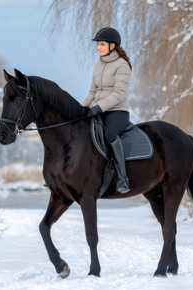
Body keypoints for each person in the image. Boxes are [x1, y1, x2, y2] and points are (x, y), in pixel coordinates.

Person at [83, 27, 132, 194]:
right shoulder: (98, 65)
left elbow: (119, 94)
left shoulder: (122, 65)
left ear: (112, 46)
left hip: (117, 111)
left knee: (109, 134)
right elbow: (92, 93)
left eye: (102, 44)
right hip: (98, 110)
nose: (98, 47)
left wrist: (99, 107)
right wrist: (82, 109)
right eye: (98, 44)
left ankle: (123, 178)